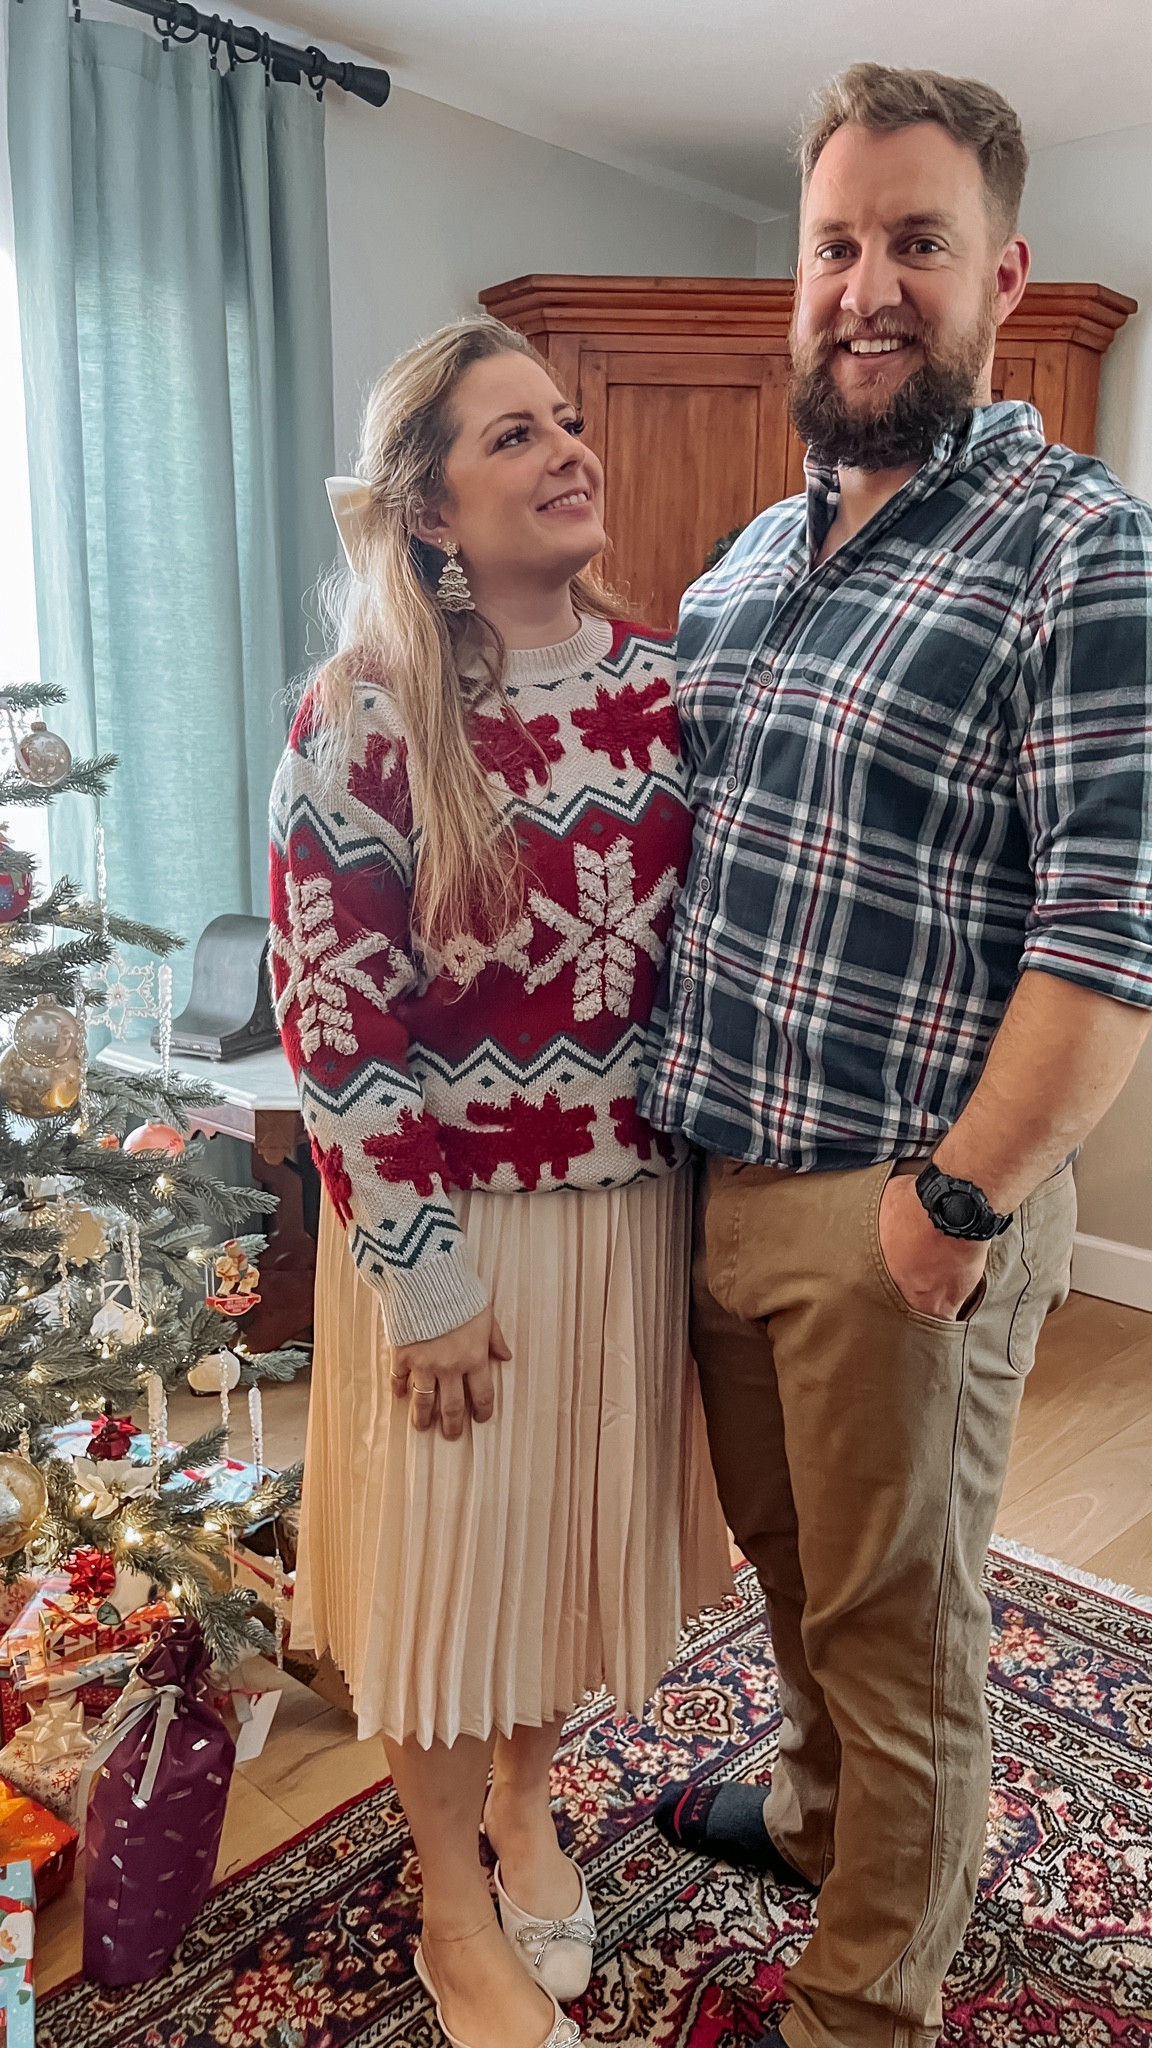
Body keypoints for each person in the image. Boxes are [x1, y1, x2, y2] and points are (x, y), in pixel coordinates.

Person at [638, 61, 1152, 2048]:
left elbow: (1110, 928)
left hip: (902, 1204)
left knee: (903, 1623)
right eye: (837, 241)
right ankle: (812, 1806)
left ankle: (868, 2001)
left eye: (915, 243)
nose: (867, 283)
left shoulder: (1077, 545)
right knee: (791, 1577)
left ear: (999, 275)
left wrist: (954, 1206)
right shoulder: (743, 572)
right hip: (723, 1186)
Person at [269, 315, 732, 2048]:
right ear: (436, 509)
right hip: (452, 1232)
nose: (568, 452)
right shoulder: (368, 712)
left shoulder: (666, 685)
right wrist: (427, 1277)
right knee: (448, 1580)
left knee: (554, 1561)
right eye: (515, 437)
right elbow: (333, 1016)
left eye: (567, 421)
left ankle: (528, 1799)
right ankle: (447, 1905)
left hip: (630, 1217)